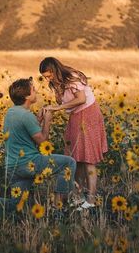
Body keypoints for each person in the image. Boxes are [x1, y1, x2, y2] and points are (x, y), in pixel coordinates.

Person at [39, 57, 108, 209]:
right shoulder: (55, 83)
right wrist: (52, 105)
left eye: (49, 75)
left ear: (55, 70)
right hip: (75, 116)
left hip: (88, 114)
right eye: (45, 77)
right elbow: (62, 103)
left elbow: (81, 99)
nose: (47, 79)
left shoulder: (72, 77)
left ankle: (90, 201)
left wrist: (58, 108)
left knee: (88, 159)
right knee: (76, 158)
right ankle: (78, 197)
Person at [3, 78, 76, 209]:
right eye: (33, 90)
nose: (36, 92)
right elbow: (42, 142)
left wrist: (38, 120)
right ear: (26, 96)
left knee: (16, 205)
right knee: (68, 163)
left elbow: (24, 135)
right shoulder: (26, 116)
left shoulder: (11, 112)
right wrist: (47, 121)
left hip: (12, 167)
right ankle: (59, 206)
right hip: (28, 163)